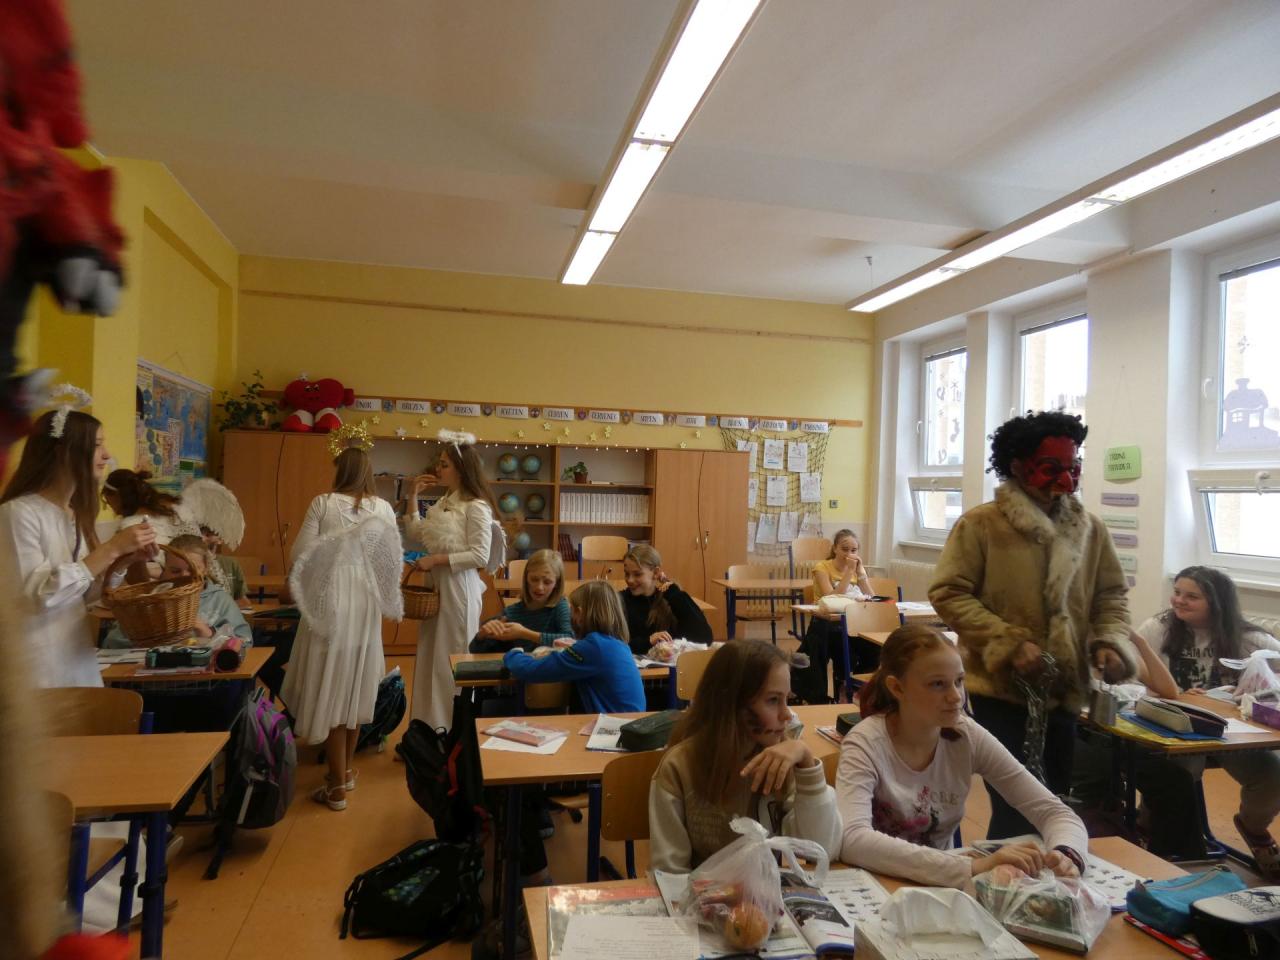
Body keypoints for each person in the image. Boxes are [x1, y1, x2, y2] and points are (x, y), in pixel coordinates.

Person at [929, 410, 1136, 839]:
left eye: (1073, 467)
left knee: (1054, 802)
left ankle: (1047, 873)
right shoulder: (982, 524)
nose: (1065, 480)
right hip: (1001, 690)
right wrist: (1008, 642)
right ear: (1019, 466)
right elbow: (948, 593)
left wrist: (1109, 641)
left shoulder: (1091, 530)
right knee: (1015, 807)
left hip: (1065, 690)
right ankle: (1005, 875)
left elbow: (1111, 596)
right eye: (1050, 467)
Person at [836, 625, 1087, 887]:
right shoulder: (866, 743)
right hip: (876, 885)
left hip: (937, 886)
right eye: (937, 684)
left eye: (959, 681)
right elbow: (853, 839)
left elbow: (1054, 812)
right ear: (897, 688)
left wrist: (1067, 854)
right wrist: (971, 866)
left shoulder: (966, 735)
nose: (955, 697)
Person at [1130, 567, 1280, 875]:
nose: (1179, 601)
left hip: (1230, 732)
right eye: (1177, 593)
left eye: (1192, 596)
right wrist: (1175, 695)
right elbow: (1131, 679)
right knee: (1177, 774)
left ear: (1217, 602)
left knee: (1273, 777)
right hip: (1174, 728)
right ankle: (1152, 827)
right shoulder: (1157, 629)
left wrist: (1250, 692)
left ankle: (1253, 827)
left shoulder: (1249, 638)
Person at [648, 639, 842, 872]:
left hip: (766, 890)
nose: (787, 715)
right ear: (731, 704)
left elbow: (822, 849)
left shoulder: (783, 759)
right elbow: (669, 873)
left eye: (787, 700)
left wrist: (807, 764)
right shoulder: (679, 767)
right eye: (773, 700)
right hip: (700, 892)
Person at [0, 404, 156, 687]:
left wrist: (124, 560)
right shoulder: (19, 513)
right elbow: (36, 598)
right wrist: (111, 549)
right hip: (36, 670)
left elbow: (83, 595)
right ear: (64, 452)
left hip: (75, 662)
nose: (106, 455)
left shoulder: (74, 515)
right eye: (97, 445)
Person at [281, 447, 402, 811]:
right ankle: (344, 772)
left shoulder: (323, 503)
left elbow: (300, 555)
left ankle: (336, 786)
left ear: (341, 471)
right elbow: (391, 560)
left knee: (332, 685)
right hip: (366, 604)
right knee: (355, 685)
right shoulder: (384, 509)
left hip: (330, 601)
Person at [405, 430, 503, 730]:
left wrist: (436, 560)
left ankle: (451, 730)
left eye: (444, 464)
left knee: (452, 659)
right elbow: (417, 534)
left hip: (459, 591)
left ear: (461, 468)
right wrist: (412, 497)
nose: (438, 468)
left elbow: (480, 555)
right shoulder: (443, 502)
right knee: (430, 658)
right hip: (437, 589)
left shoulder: (477, 507)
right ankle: (426, 728)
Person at [502, 580, 645, 714]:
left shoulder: (594, 647)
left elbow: (532, 670)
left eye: (571, 609)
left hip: (612, 728)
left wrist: (513, 653)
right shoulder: (618, 644)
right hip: (626, 723)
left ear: (580, 613)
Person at [102, 534, 252, 649]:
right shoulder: (149, 600)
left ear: (205, 569)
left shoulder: (219, 600)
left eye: (192, 570)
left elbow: (245, 642)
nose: (184, 576)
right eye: (175, 571)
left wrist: (208, 633)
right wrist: (148, 638)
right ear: (165, 569)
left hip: (203, 676)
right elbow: (111, 643)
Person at [470, 549, 572, 653]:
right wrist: (481, 636)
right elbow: (474, 650)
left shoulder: (560, 606)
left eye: (547, 582)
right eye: (534, 579)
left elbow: (570, 640)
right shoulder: (511, 613)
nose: (539, 587)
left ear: (557, 584)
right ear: (526, 578)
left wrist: (523, 633)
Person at [619, 544, 712, 656]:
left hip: (669, 665)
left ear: (656, 573)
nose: (630, 580)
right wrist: (648, 642)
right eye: (626, 573)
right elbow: (614, 646)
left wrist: (674, 592)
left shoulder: (671, 598)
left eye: (637, 574)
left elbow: (704, 638)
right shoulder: (619, 601)